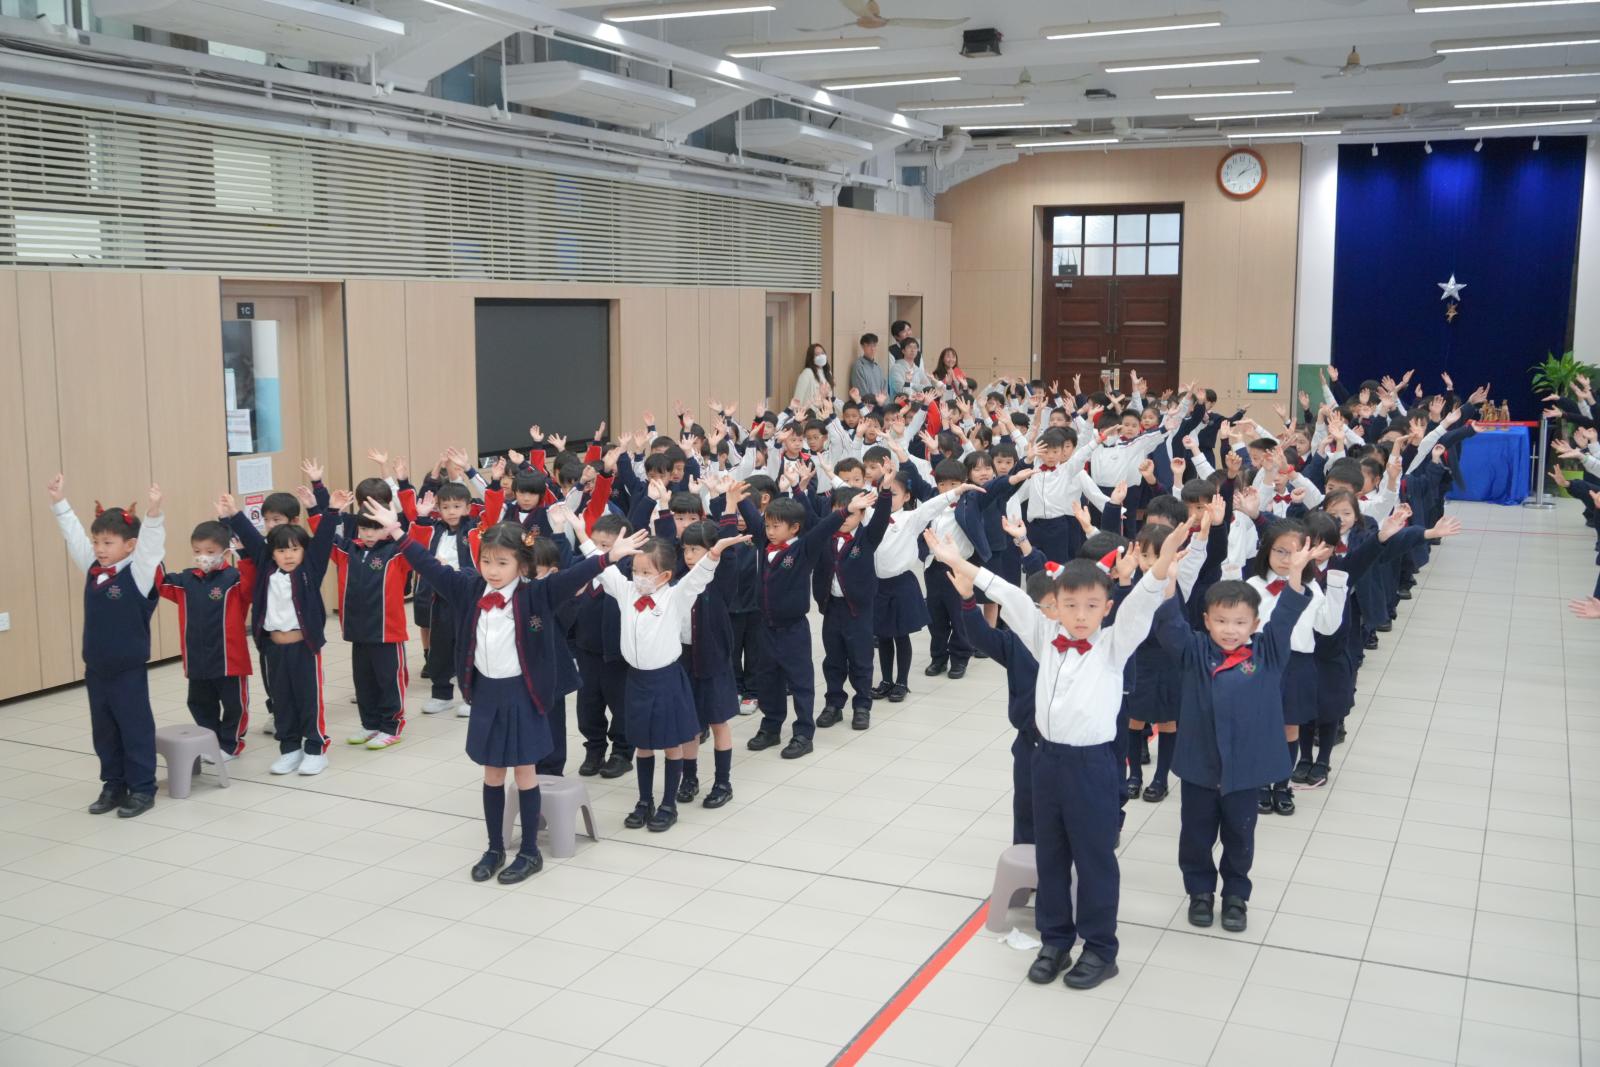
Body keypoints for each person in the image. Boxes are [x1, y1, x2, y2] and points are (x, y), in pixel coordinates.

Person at [936, 521, 1190, 991]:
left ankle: (1100, 948)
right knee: (1049, 856)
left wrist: (1161, 563)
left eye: (1092, 606)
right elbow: (1007, 593)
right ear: (1055, 605)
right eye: (1070, 605)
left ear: (1107, 607)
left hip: (1092, 766)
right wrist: (957, 562)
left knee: (1094, 860)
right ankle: (1055, 940)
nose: (1080, 615)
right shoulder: (1042, 634)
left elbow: (1143, 600)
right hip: (1046, 761)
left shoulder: (1114, 644)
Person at [375, 498, 643, 883]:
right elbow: (430, 566)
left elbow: (572, 577)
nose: (492, 570)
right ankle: (495, 847)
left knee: (525, 772)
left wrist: (608, 557)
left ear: (521, 564)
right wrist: (398, 531)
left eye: (502, 563)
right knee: (492, 774)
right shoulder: (468, 588)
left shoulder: (536, 594)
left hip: (524, 695)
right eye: (486, 561)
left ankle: (530, 851)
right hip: (487, 695)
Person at [1154, 566, 1311, 934]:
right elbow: (1170, 626)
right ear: (1206, 620)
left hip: (1244, 770)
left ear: (1255, 623)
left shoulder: (1268, 652)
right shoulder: (1194, 650)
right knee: (1196, 834)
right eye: (1221, 621)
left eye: (1240, 622)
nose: (1230, 630)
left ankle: (1236, 896)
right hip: (1200, 766)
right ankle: (1200, 892)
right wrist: (1169, 581)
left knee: (1240, 836)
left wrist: (1296, 574)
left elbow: (1286, 616)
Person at [600, 531, 748, 831]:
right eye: (635, 571)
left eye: (646, 573)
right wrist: (588, 538)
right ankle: (645, 801)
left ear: (665, 575)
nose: (639, 577)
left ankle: (670, 803)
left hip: (671, 676)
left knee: (673, 742)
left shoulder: (674, 595)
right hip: (637, 680)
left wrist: (715, 552)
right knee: (642, 743)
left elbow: (698, 578)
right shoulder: (628, 592)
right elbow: (602, 568)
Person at [47, 476, 167, 819]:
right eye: (97, 541)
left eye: (108, 543)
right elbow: (73, 537)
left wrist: (154, 515)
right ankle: (113, 783)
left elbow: (152, 548)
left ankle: (142, 787)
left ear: (130, 545)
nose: (99, 549)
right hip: (96, 667)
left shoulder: (140, 572)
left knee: (134, 727)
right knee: (104, 730)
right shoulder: (93, 568)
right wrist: (59, 502)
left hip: (127, 669)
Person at [223, 490, 342, 775]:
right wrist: (233, 513)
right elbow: (252, 538)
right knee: (282, 701)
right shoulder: (267, 567)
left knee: (308, 700)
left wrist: (332, 511)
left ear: (303, 551)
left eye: (294, 550)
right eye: (281, 551)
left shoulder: (309, 569)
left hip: (304, 648)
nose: (288, 555)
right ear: (271, 553)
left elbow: (323, 541)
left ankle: (315, 749)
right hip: (274, 648)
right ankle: (290, 749)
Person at [740, 484, 848, 759]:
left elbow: (823, 529)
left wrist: (846, 511)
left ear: (795, 528)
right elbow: (752, 518)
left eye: (776, 526)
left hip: (793, 630)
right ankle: (771, 726)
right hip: (765, 627)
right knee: (768, 679)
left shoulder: (803, 550)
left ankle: (803, 733)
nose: (769, 531)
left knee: (800, 682)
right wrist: (738, 497)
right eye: (768, 525)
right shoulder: (765, 543)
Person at [157, 519, 255, 762]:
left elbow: (252, 587)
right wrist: (150, 548)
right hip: (197, 657)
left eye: (210, 552)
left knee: (234, 704)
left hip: (229, 659)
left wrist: (244, 555)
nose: (203, 557)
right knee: (199, 703)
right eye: (197, 551)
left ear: (225, 552)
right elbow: (159, 582)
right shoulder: (186, 580)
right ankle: (210, 740)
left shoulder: (234, 579)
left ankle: (230, 744)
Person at [814, 487, 889, 730]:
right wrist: (797, 488)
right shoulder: (824, 536)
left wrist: (886, 491)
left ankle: (862, 705)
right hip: (831, 607)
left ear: (862, 515)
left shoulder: (867, 537)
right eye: (841, 512)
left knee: (861, 659)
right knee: (833, 658)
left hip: (858, 610)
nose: (845, 519)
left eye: (852, 513)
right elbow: (808, 516)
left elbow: (881, 517)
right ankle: (834, 704)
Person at [793, 342, 831, 409]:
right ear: (811, 358)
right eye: (817, 354)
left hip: (825, 412)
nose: (821, 356)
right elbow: (798, 397)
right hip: (810, 412)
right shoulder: (807, 373)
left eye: (822, 353)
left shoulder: (828, 373)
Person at [851, 332, 887, 399]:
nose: (872, 349)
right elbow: (862, 393)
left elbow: (884, 390)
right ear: (862, 346)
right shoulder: (859, 366)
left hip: (881, 404)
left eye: (874, 345)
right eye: (869, 345)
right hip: (867, 404)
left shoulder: (877, 367)